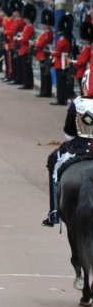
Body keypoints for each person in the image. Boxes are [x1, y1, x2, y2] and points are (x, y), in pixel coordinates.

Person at [42, 69, 93, 227]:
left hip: (79, 148)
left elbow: (69, 133)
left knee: (54, 161)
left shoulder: (77, 103)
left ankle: (54, 212)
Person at [52, 14, 75, 106]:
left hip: (59, 62)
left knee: (60, 82)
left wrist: (51, 53)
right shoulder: (69, 40)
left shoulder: (62, 41)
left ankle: (60, 99)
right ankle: (63, 99)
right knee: (63, 81)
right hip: (65, 62)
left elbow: (57, 53)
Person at [36, 10, 56, 99]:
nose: (43, 25)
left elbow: (41, 44)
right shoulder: (46, 33)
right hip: (42, 55)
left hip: (45, 55)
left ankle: (45, 92)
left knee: (45, 75)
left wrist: (36, 44)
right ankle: (43, 91)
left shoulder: (48, 33)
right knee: (43, 74)